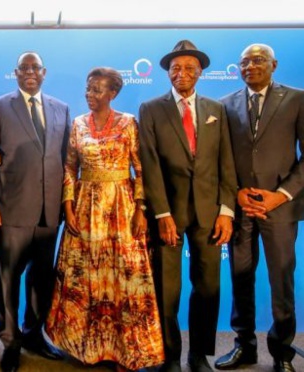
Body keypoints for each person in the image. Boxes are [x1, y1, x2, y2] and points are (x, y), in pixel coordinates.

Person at [45, 67, 164, 371]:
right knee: (86, 279)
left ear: (113, 93)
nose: (90, 94)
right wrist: (68, 206)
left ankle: (126, 352)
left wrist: (141, 209)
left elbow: (141, 168)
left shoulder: (128, 123)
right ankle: (87, 347)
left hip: (122, 209)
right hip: (85, 210)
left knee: (125, 279)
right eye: (88, 88)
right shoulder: (78, 124)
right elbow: (70, 168)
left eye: (98, 89)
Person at [138, 40, 237, 372]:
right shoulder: (151, 109)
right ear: (167, 72)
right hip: (168, 215)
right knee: (167, 290)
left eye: (190, 68)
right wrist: (161, 213)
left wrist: (226, 211)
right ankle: (170, 357)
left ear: (200, 72)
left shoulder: (216, 110)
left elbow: (227, 163)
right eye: (176, 68)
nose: (182, 73)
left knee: (208, 287)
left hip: (210, 215)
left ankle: (199, 355)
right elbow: (149, 165)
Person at [0, 51, 71, 372]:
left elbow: (64, 161)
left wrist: (67, 207)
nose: (30, 72)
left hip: (49, 213)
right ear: (15, 73)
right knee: (10, 280)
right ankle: (10, 341)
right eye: (24, 68)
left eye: (35, 68)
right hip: (10, 211)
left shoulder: (62, 109)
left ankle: (33, 334)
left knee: (42, 281)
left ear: (44, 72)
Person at [214, 43, 304, 372]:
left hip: (279, 208)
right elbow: (221, 158)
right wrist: (236, 193)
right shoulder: (224, 105)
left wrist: (280, 195)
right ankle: (244, 346)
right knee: (240, 278)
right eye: (244, 62)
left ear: (274, 64)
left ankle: (281, 353)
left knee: (282, 280)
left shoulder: (297, 99)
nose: (250, 66)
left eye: (258, 60)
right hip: (240, 209)